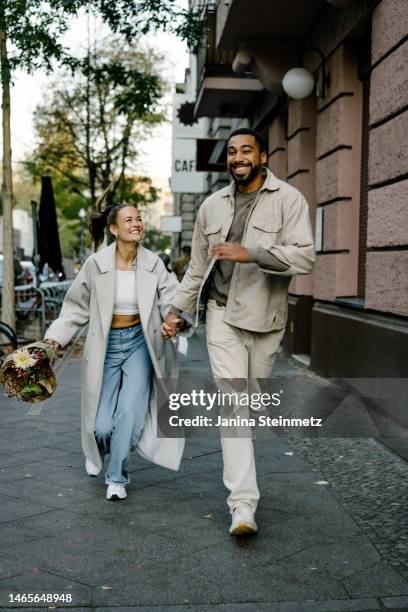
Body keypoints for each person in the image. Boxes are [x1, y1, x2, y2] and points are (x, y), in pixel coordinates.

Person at [162, 128, 315, 535]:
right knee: (233, 405)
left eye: (246, 150)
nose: (237, 157)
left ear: (263, 155)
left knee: (253, 402)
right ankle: (243, 505)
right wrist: (177, 309)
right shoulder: (212, 206)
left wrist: (252, 253)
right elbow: (197, 268)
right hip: (222, 315)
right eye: (231, 151)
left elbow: (304, 257)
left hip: (266, 319)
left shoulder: (289, 200)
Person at [44, 203, 188, 501]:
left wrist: (174, 319)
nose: (136, 224)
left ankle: (117, 476)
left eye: (139, 219)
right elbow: (74, 308)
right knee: (101, 426)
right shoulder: (96, 264)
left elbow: (171, 297)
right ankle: (100, 450)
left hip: (139, 343)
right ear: (113, 229)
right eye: (129, 220)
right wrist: (54, 341)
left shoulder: (153, 263)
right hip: (105, 345)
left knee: (130, 414)